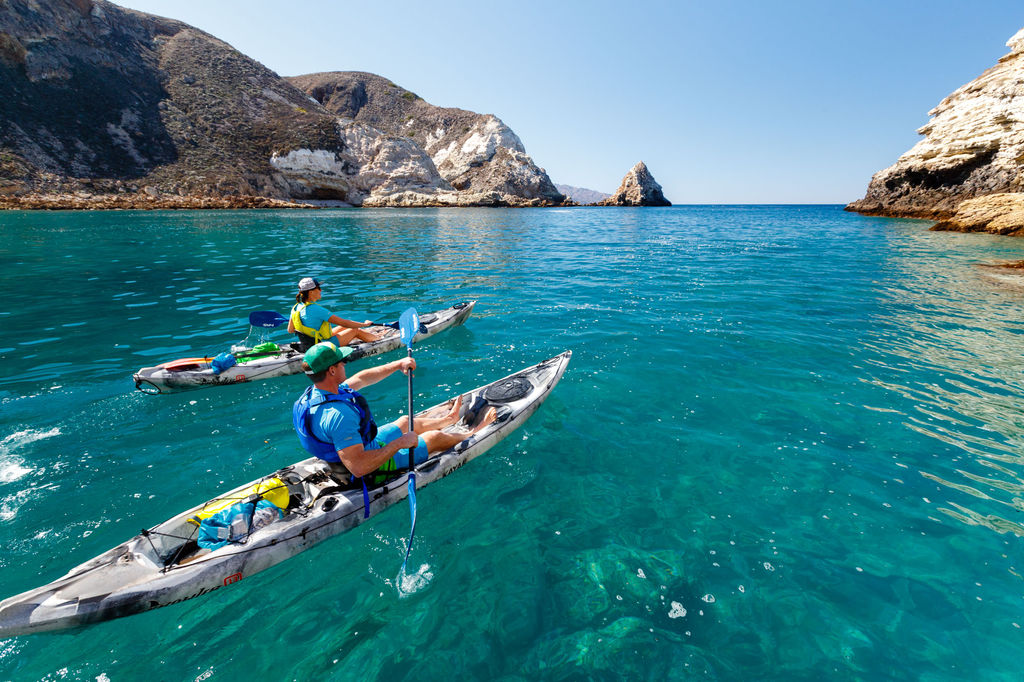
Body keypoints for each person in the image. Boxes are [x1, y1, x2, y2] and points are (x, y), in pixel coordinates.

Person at [292, 342, 496, 482]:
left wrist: (398, 364)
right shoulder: (338, 416)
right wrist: (400, 443)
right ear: (332, 371)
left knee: (405, 421)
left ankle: (448, 419)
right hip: (366, 470)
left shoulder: (316, 394)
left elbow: (362, 378)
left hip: (365, 445)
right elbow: (359, 467)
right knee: (433, 438)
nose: (346, 363)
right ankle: (473, 432)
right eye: (341, 361)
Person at [288, 277, 382, 351]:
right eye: (319, 288)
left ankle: (371, 335)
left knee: (344, 328)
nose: (321, 290)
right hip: (321, 346)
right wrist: (365, 324)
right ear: (311, 292)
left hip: (309, 343)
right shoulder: (316, 309)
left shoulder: (296, 308)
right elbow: (344, 322)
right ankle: (380, 340)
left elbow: (291, 330)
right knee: (355, 330)